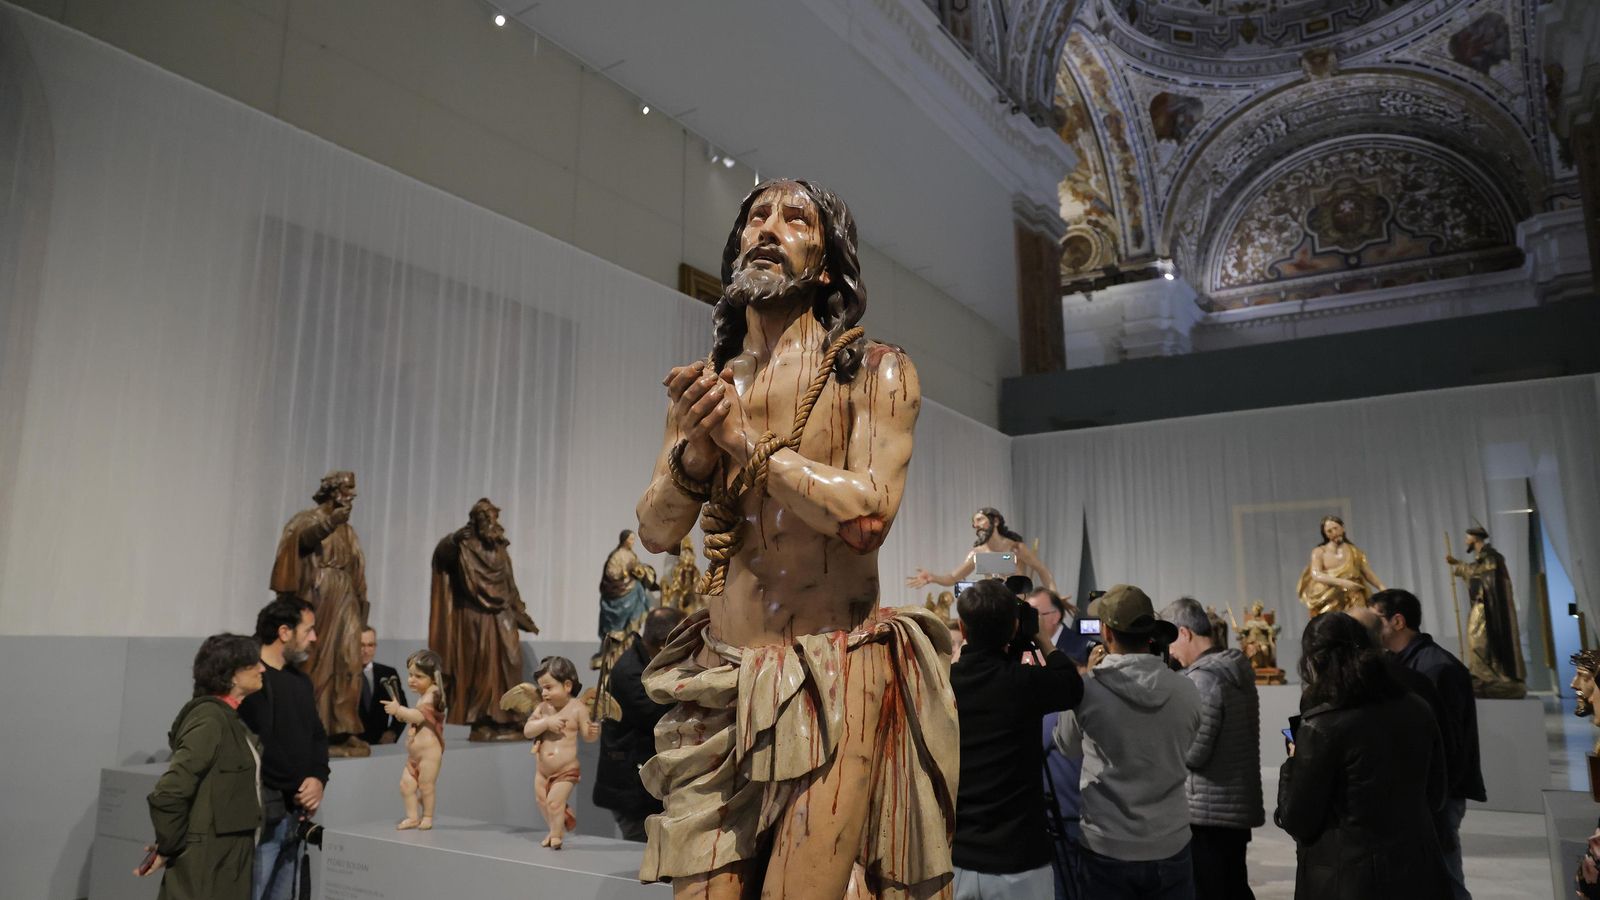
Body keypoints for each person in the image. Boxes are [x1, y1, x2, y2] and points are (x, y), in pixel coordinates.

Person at [633, 179, 956, 897]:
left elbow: (867, 519)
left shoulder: (876, 373)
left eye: (795, 218)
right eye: (756, 218)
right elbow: (656, 531)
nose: (768, 228)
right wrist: (695, 456)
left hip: (832, 674)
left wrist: (745, 443)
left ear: (831, 264)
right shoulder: (709, 387)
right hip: (719, 683)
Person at [1275, 612, 1450, 899]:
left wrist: (1293, 761)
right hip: (1417, 869)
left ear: (1315, 660)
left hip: (1348, 878)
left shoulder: (1322, 726)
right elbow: (1437, 794)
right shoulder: (1417, 707)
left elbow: (1298, 819)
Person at [1054, 584, 1201, 899]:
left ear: (1106, 633)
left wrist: (1085, 681)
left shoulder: (1088, 690)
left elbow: (1066, 745)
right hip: (1170, 838)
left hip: (1107, 841)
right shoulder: (1186, 689)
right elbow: (1186, 743)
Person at [950, 579, 1084, 899]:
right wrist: (1040, 637)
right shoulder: (1024, 684)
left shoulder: (943, 684)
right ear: (1014, 628)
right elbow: (1070, 684)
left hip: (959, 857)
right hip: (1020, 859)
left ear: (962, 628)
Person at [1369, 588, 1484, 899]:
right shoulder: (1403, 664)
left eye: (1375, 618)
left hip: (1439, 792)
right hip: (1422, 790)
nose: (1370, 626)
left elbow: (1450, 742)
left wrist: (1437, 792)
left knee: (1445, 875)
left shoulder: (1437, 667)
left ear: (1397, 621)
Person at [140, 634, 265, 900]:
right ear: (232, 675)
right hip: (208, 863)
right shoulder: (210, 720)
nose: (262, 668)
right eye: (253, 664)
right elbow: (169, 792)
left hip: (226, 859)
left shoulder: (230, 719)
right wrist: (170, 846)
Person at [1162, 597, 1263, 900]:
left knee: (1211, 890)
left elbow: (1194, 753)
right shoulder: (1234, 669)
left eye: (1171, 642)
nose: (1170, 653)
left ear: (1184, 633)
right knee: (1231, 886)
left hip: (1207, 814)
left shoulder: (1204, 679)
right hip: (1231, 807)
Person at [270, 470, 369, 756]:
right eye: (346, 490)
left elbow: (358, 569)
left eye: (352, 491)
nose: (351, 496)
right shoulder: (308, 520)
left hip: (345, 597)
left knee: (349, 660)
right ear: (331, 491)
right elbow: (301, 541)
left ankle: (344, 727)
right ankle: (314, 729)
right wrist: (330, 522)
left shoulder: (348, 531)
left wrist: (362, 606)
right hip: (317, 596)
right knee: (314, 662)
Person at [239, 595, 329, 900]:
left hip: (295, 813)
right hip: (264, 813)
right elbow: (260, 744)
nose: (314, 638)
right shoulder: (251, 680)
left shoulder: (300, 682)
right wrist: (299, 786)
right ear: (284, 632)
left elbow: (317, 736)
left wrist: (317, 779)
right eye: (309, 630)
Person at [428, 497, 540, 740]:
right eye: (484, 518)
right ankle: (483, 719)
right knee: (482, 666)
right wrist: (452, 539)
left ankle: (509, 715)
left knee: (511, 660)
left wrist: (520, 611)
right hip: (475, 617)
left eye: (492, 517)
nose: (490, 522)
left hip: (503, 614)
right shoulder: (464, 545)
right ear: (475, 521)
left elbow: (509, 583)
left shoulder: (499, 547)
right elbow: (441, 558)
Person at [593, 606, 687, 842]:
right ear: (665, 644)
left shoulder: (644, 660)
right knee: (640, 849)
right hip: (631, 786)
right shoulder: (629, 672)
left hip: (639, 782)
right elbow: (658, 717)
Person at [523, 656, 600, 850]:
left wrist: (591, 733)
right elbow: (528, 730)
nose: (544, 693)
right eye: (541, 688)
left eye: (548, 687)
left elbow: (587, 737)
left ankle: (556, 835)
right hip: (542, 770)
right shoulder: (542, 709)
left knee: (554, 803)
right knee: (542, 801)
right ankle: (554, 828)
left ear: (567, 685)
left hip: (566, 769)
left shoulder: (577, 708)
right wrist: (546, 723)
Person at [1447, 525, 1526, 698]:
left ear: (1475, 538)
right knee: (1475, 640)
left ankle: (1491, 677)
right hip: (1480, 605)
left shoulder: (1491, 557)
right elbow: (1475, 571)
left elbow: (1486, 578)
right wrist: (1458, 565)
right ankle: (1482, 677)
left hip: (1488, 606)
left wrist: (1462, 567)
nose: (1466, 540)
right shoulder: (1482, 558)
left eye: (1467, 537)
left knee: (1479, 641)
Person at [908, 507, 1059, 592]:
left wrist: (1054, 599)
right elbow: (953, 577)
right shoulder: (977, 553)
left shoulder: (1016, 548)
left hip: (1016, 605)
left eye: (980, 520)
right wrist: (933, 578)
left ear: (995, 521)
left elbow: (1043, 570)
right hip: (993, 605)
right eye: (974, 523)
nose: (976, 525)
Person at [382, 649, 446, 831]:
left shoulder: (433, 695)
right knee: (406, 785)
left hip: (429, 755)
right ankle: (412, 817)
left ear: (433, 678)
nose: (411, 680)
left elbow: (418, 717)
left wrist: (398, 710)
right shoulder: (424, 695)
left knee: (426, 786)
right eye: (410, 675)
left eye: (418, 676)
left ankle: (427, 816)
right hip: (414, 756)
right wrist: (402, 713)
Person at [1296, 515, 1385, 617]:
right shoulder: (1320, 552)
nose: (1334, 533)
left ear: (1342, 528)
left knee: (1358, 622)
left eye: (1336, 528)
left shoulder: (1354, 551)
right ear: (1325, 534)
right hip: (1330, 596)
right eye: (1329, 531)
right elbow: (1316, 574)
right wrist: (1343, 583)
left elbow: (1367, 572)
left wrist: (1381, 587)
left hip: (1354, 594)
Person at [356, 627, 405, 746]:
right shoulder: (341, 676)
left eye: (370, 645)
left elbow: (402, 708)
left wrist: (392, 732)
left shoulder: (388, 674)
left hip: (381, 746)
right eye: (361, 645)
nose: (366, 650)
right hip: (351, 747)